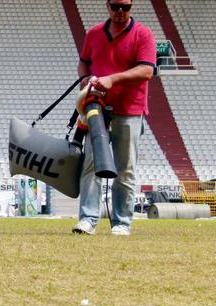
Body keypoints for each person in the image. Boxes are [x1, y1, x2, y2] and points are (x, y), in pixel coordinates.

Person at [73, 0, 156, 236]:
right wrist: (86, 77)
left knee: (125, 169)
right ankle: (87, 219)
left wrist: (112, 79)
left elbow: (147, 70)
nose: (121, 11)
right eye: (116, 6)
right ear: (107, 6)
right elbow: (84, 62)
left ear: (132, 8)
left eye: (126, 7)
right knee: (90, 164)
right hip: (96, 109)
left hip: (130, 110)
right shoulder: (94, 33)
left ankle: (122, 222)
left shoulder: (143, 34)